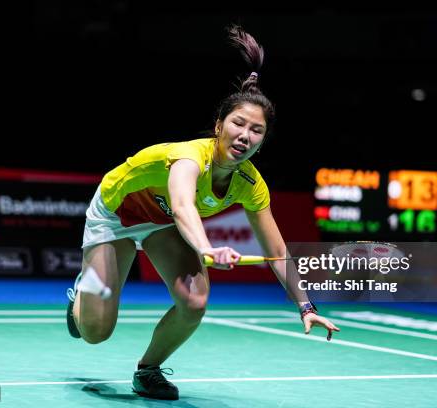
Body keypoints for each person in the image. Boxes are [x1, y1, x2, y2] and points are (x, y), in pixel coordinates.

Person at [66, 25, 340, 401]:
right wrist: (208, 249)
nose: (245, 135)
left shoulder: (250, 183)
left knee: (194, 300)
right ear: (218, 127)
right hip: (117, 213)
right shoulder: (190, 157)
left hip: (159, 222)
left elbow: (278, 252)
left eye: (256, 131)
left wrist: (305, 306)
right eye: (238, 124)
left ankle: (148, 371)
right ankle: (79, 298)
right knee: (95, 332)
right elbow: (182, 206)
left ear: (262, 141)